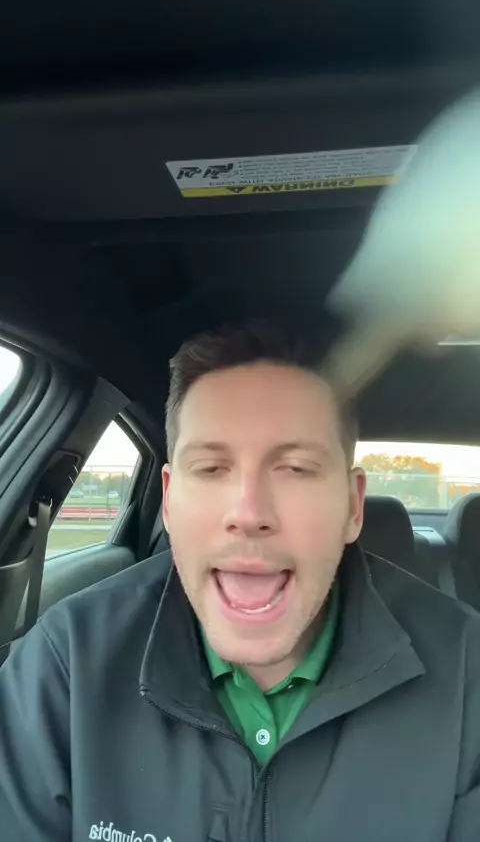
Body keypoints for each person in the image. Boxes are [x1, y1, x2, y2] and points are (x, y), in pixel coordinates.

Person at [0, 319, 479, 842]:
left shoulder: (467, 678)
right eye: (210, 468)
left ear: (352, 506)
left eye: (295, 468)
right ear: (170, 500)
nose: (248, 513)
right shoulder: (65, 666)